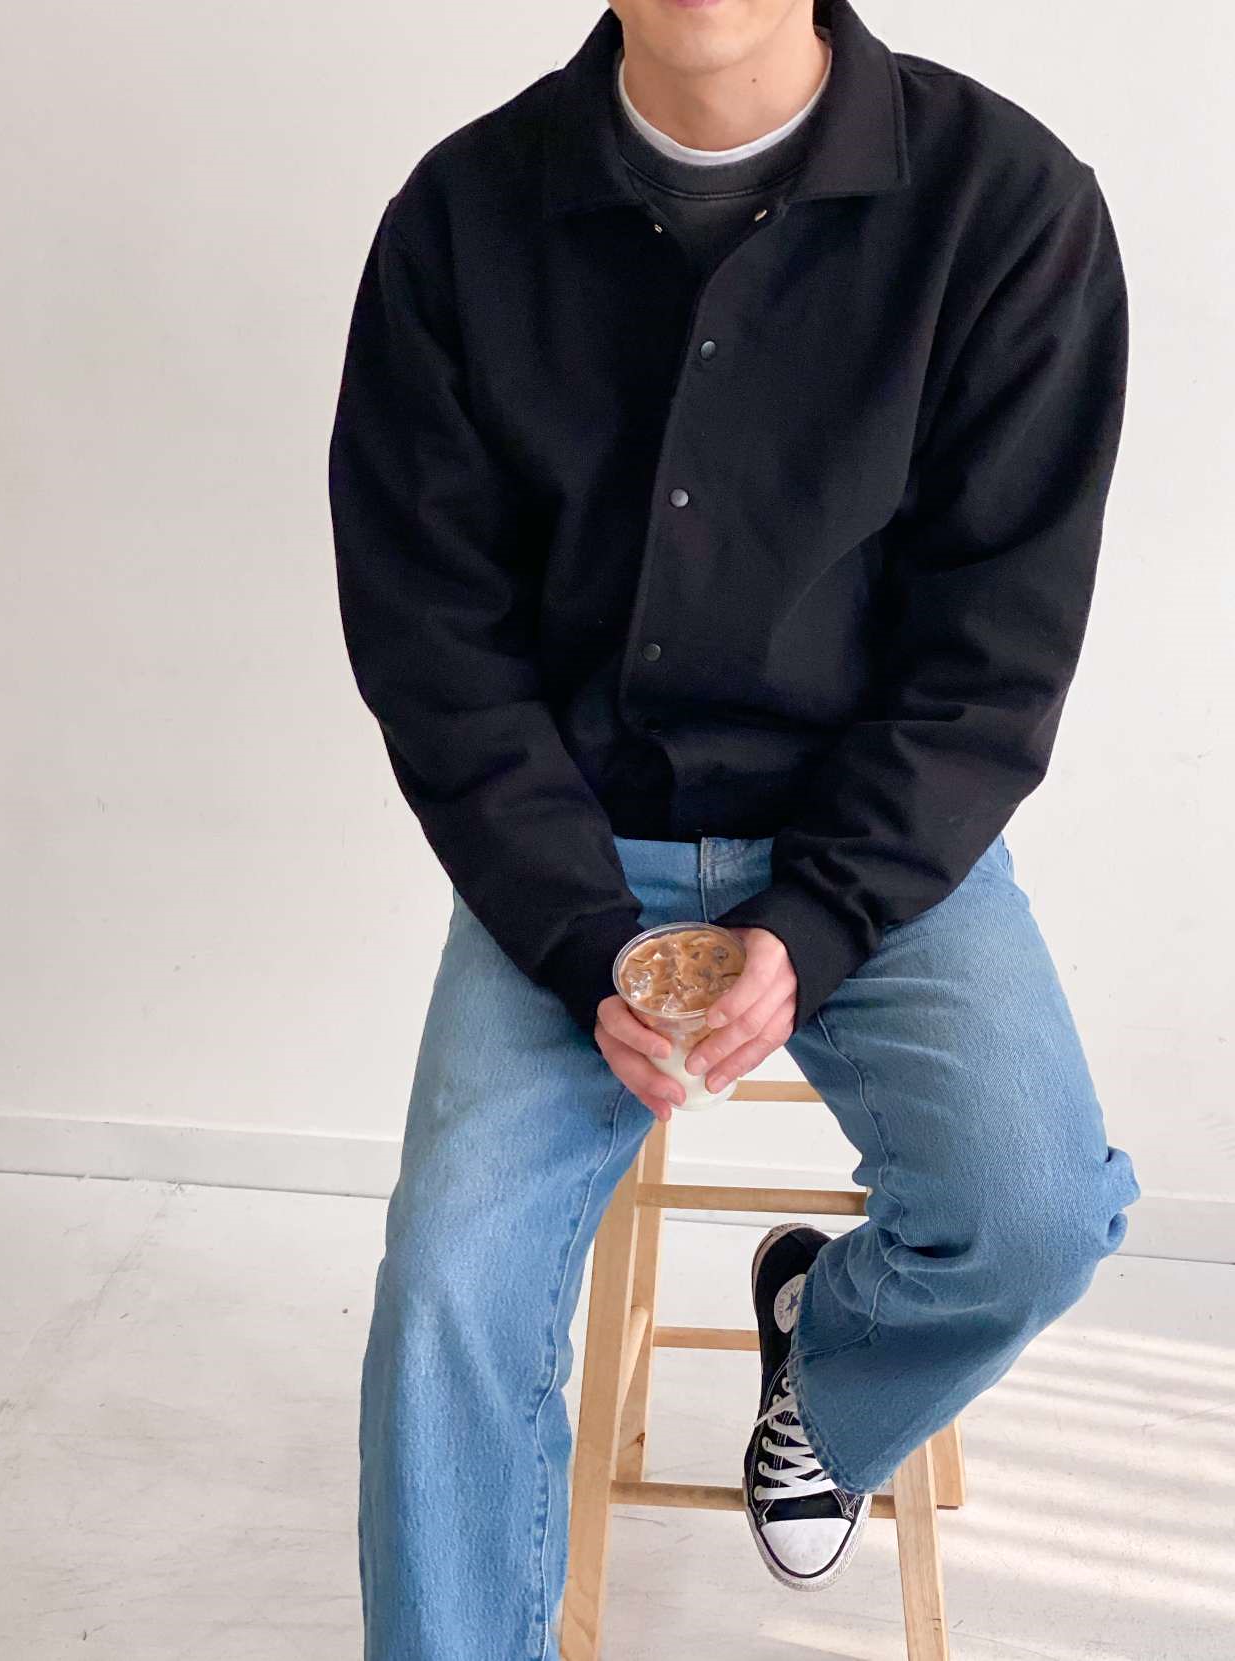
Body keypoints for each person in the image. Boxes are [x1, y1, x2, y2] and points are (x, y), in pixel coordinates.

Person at [327, 0, 1141, 1654]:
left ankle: (824, 1373)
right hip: (569, 846)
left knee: (1034, 1215)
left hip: (874, 842)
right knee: (446, 1293)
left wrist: (825, 915)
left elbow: (992, 650)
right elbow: (431, 638)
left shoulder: (1005, 204)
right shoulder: (461, 216)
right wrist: (574, 930)